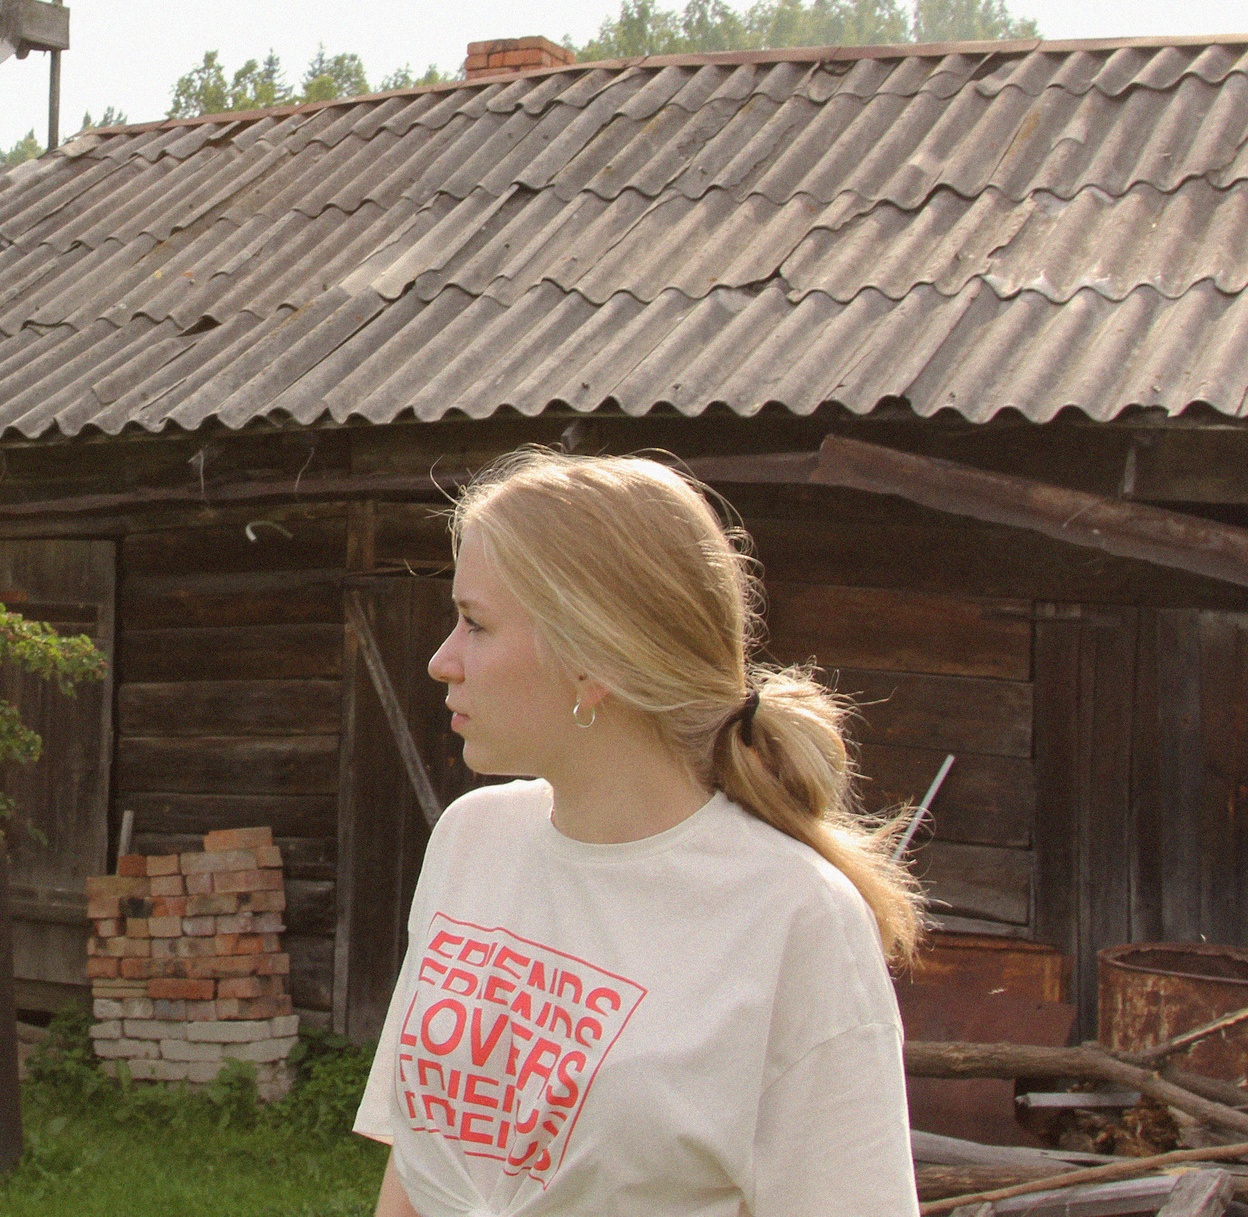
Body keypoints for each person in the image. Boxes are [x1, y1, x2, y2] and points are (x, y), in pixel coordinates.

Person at [359, 450, 922, 1217]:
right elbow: (422, 1165)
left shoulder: (797, 915)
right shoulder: (471, 839)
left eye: (475, 622)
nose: (439, 660)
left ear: (595, 659)